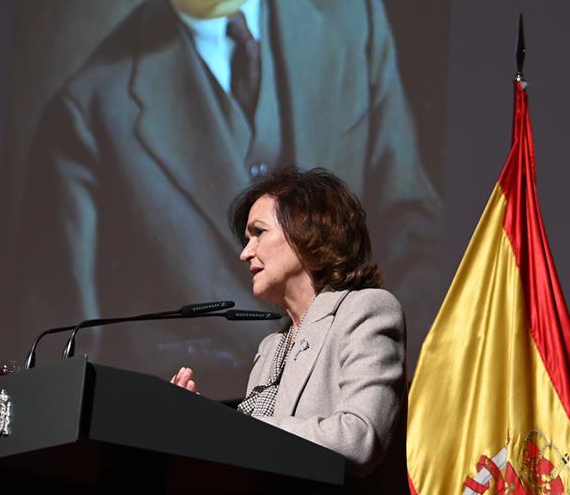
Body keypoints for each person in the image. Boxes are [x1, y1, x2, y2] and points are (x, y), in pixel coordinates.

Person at [9, 0, 438, 385]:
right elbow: (71, 348)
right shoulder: (86, 116)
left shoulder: (353, 16)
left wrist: (375, 363)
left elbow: (413, 227)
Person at [170, 167, 405, 480]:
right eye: (246, 239)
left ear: (308, 234)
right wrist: (202, 422)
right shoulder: (271, 347)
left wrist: (234, 428)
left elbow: (359, 438)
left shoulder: (367, 310)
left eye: (259, 233)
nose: (245, 253)